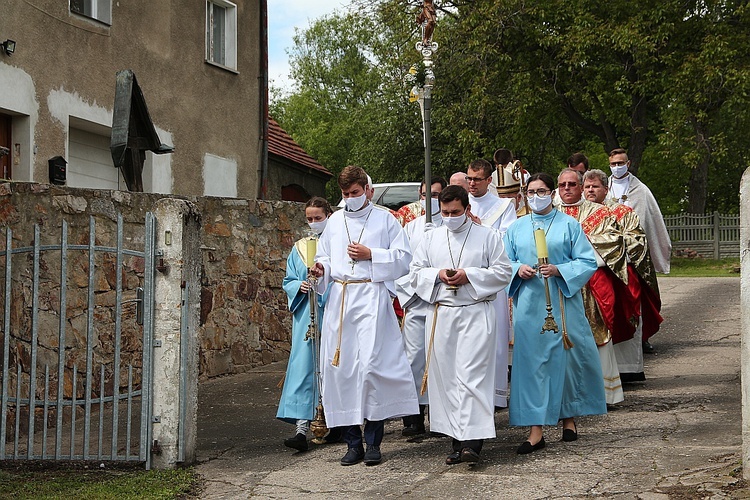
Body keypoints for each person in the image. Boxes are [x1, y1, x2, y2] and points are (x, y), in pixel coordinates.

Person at [311, 165, 419, 466]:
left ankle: (373, 442)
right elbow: (324, 258)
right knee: (342, 371)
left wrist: (372, 254)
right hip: (341, 301)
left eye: (355, 193)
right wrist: (321, 270)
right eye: (345, 194)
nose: (350, 199)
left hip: (371, 297)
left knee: (371, 369)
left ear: (366, 190)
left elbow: (403, 260)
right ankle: (352, 442)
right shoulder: (334, 222)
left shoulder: (385, 219)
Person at [504, 173, 606, 454]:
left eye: (543, 191)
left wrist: (560, 270)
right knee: (532, 365)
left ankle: (568, 418)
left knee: (565, 360)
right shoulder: (517, 227)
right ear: (525, 194)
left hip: (562, 301)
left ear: (552, 193)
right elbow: (503, 262)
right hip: (529, 304)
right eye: (532, 191)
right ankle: (535, 429)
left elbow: (587, 261)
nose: (538, 196)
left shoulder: (569, 225)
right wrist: (518, 269)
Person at [410, 185, 513, 464]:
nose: (450, 217)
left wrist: (470, 275)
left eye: (455, 212)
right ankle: (457, 441)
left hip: (475, 313)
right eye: (445, 212)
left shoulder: (487, 236)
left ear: (467, 209)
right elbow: (415, 272)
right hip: (441, 314)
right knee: (447, 379)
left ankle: (473, 442)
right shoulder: (431, 239)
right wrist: (438, 274)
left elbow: (503, 272)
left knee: (471, 377)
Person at [556, 168, 636, 405]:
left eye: (572, 184)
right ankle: (567, 396)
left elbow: (612, 246)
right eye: (562, 185)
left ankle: (604, 394)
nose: (567, 188)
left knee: (597, 336)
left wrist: (576, 260)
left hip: (591, 284)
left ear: (581, 187)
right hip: (559, 283)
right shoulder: (551, 214)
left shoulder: (599, 213)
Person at [585, 169, 664, 381]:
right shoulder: (579, 213)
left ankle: (628, 369)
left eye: (595, 186)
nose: (590, 190)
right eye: (587, 187)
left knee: (626, 314)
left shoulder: (623, 212)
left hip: (621, 274)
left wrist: (606, 251)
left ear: (606, 188)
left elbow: (636, 241)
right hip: (588, 276)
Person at [278, 197, 341, 451]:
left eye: (318, 218)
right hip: (307, 314)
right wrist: (298, 286)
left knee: (334, 367)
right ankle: (302, 428)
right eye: (310, 219)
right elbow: (288, 279)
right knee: (303, 367)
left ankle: (338, 425)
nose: (314, 223)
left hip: (333, 311)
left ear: (329, 214)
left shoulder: (339, 242)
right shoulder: (301, 247)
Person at [607, 148, 670, 358]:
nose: (617, 167)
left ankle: (642, 337)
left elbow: (651, 220)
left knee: (637, 295)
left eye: (620, 163)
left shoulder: (641, 191)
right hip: (608, 250)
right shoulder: (602, 187)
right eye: (614, 164)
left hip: (634, 252)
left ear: (629, 163)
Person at [395, 177, 447, 436]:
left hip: (444, 301)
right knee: (414, 357)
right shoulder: (411, 228)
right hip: (416, 300)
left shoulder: (452, 226)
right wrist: (413, 291)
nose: (431, 200)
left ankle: (441, 415)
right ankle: (414, 414)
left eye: (436, 195)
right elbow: (402, 266)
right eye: (426, 194)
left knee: (441, 357)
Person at [466, 159, 516, 409]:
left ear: (489, 181)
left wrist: (479, 227)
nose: (471, 184)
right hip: (465, 278)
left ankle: (495, 395)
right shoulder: (460, 203)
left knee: (494, 337)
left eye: (476, 179)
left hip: (491, 279)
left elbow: (507, 239)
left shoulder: (503, 206)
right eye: (469, 179)